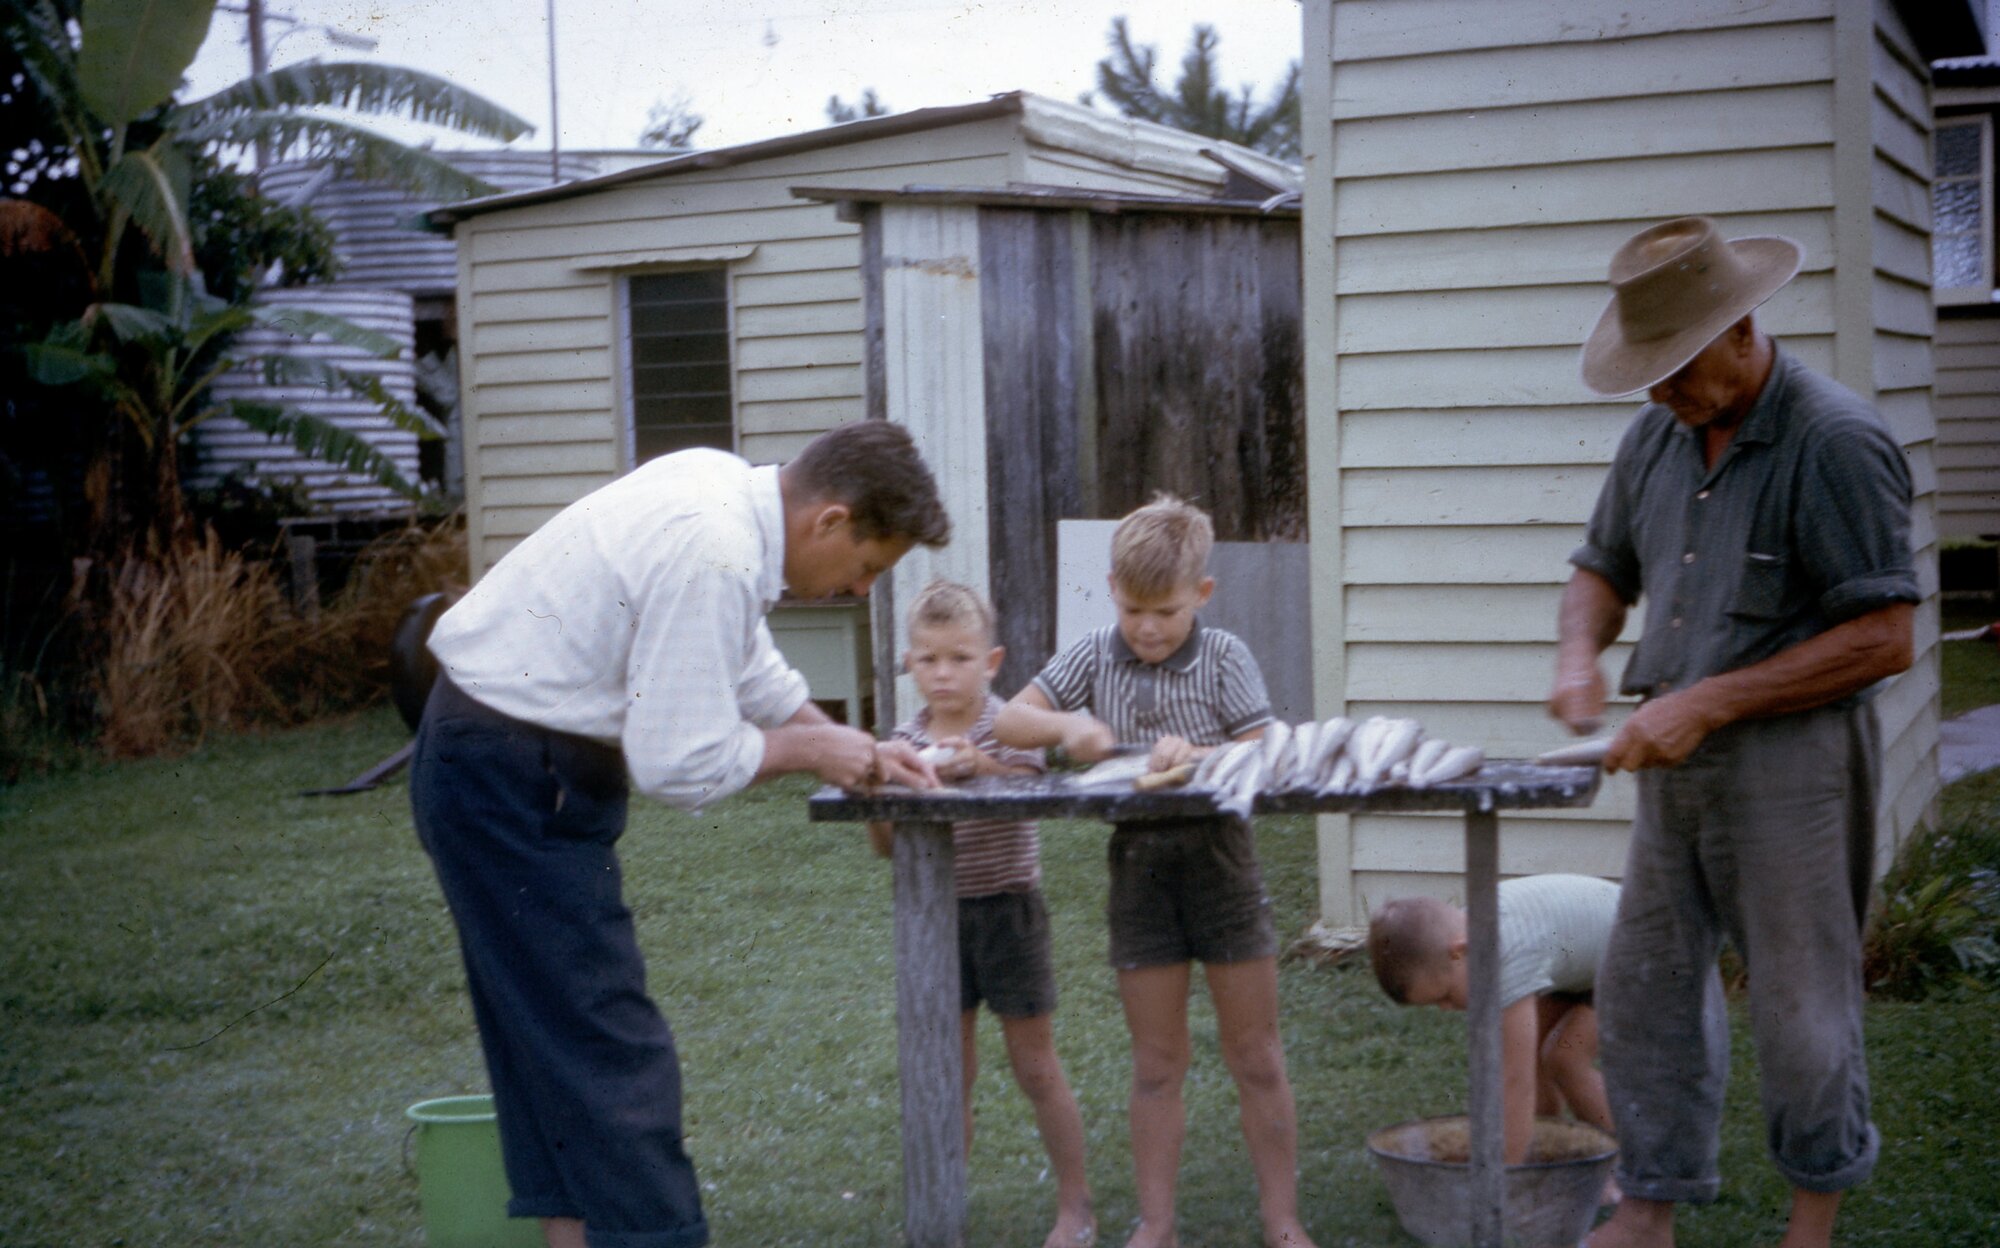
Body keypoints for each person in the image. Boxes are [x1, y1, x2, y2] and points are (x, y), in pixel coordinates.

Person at [410, 420, 950, 1248]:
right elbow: (678, 762)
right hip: (511, 775)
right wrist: (810, 748)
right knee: (611, 1058)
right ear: (830, 520)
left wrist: (851, 749)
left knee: (554, 1057)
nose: (856, 589)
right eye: (867, 568)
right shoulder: (718, 548)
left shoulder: (723, 488)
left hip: (492, 760)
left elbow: (742, 662)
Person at [1553, 217, 1918, 1248]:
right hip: (1674, 770)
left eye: (1674, 369)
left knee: (1802, 1012)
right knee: (1643, 994)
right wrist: (1577, 654)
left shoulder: (1833, 441)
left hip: (1790, 773)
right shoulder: (1658, 432)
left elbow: (1883, 636)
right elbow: (1598, 566)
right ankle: (1649, 1211)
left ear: (1742, 329)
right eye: (1648, 374)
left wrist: (1706, 701)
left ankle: (1810, 1224)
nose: (1660, 392)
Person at [996, 495, 1318, 1248]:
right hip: (1138, 871)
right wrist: (1069, 724)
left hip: (1222, 864)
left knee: (1256, 1055)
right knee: (1156, 1061)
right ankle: (1158, 1224)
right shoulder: (1091, 654)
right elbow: (1008, 719)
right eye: (1135, 608)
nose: (1147, 627)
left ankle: (1283, 1221)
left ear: (1201, 596)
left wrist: (1199, 755)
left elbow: (1271, 748)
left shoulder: (1226, 656)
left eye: (1166, 612)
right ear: (1111, 588)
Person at [866, 580, 1097, 1248]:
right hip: (933, 919)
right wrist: (880, 796)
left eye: (960, 658)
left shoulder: (1008, 722)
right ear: (908, 661)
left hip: (1009, 912)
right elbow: (886, 848)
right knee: (947, 1071)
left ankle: (1077, 1206)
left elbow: (1035, 791)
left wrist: (984, 767)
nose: (943, 673)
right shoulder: (902, 740)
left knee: (1035, 1065)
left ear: (990, 661)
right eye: (929, 658)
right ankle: (945, 1210)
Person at [1367, 875, 1620, 1179]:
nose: (1447, 1008)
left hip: (1636, 951)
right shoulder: (1474, 932)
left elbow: (1515, 1080)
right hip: (1583, 958)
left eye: (1445, 995)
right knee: (1536, 1050)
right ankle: (1544, 1153)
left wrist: (1503, 1176)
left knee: (1564, 1057)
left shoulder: (1506, 957)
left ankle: (1627, 1168)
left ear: (1459, 952)